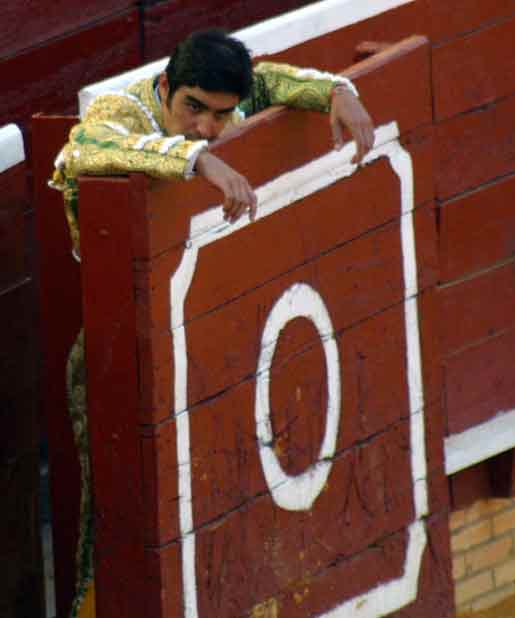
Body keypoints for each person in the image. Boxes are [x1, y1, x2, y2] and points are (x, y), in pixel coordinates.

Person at [49, 28, 375, 618]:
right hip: (119, 355)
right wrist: (198, 159)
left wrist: (336, 90)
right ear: (166, 87)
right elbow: (84, 149)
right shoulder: (125, 111)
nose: (204, 125)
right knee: (120, 523)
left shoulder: (227, 103)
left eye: (220, 116)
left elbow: (273, 79)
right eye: (191, 109)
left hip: (207, 347)